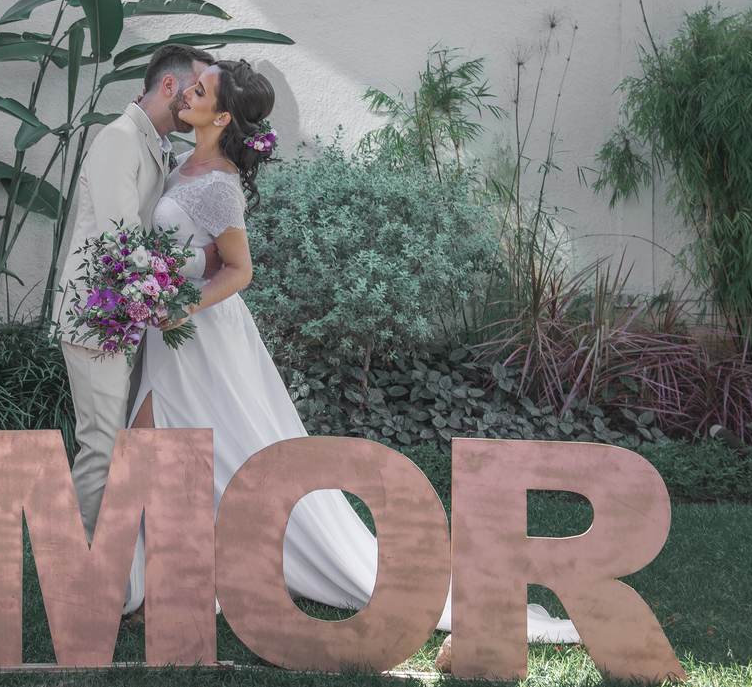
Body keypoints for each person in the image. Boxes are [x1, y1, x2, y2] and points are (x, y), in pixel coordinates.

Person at [121, 59, 580, 644]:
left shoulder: (217, 186)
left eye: (200, 88)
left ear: (223, 114)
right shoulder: (182, 161)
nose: (186, 91)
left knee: (177, 447)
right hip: (173, 337)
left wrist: (182, 303)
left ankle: (182, 581)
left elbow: (240, 271)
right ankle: (177, 577)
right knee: (170, 451)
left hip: (199, 335)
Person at [55, 44, 219, 544]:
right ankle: (76, 578)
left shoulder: (156, 145)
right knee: (101, 447)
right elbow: (121, 242)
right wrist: (204, 262)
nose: (197, 98)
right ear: (168, 87)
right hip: (94, 320)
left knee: (114, 443)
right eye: (194, 87)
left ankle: (104, 568)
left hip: (124, 319)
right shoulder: (121, 140)